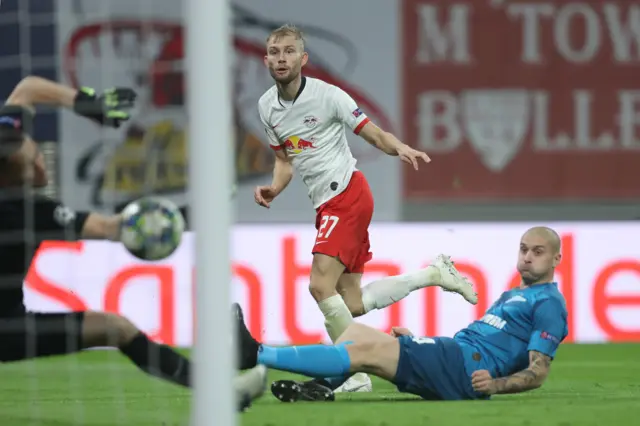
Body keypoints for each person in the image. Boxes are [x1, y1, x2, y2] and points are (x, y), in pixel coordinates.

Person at [0, 76, 265, 412]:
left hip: (11, 318)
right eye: (32, 163)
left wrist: (86, 102)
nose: (40, 162)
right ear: (10, 177)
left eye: (36, 150)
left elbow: (27, 89)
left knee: (115, 328)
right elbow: (115, 229)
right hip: (6, 329)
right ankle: (222, 393)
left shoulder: (5, 140)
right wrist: (194, 212)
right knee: (117, 329)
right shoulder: (25, 212)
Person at [253, 24, 478, 393]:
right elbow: (284, 161)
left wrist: (400, 147)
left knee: (319, 285)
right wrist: (274, 189)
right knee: (350, 305)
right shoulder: (266, 107)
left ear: (303, 58)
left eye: (289, 51)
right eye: (275, 52)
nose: (282, 58)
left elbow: (372, 132)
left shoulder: (329, 96)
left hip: (347, 193)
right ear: (266, 60)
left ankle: (354, 373)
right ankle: (433, 274)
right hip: (327, 203)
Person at [236, 226, 568, 402]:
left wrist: (494, 385)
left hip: (463, 368)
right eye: (523, 249)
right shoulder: (515, 294)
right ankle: (318, 387)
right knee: (355, 334)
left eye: (537, 252)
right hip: (452, 355)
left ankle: (255, 353)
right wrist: (418, 344)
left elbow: (538, 372)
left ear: (555, 259)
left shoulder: (549, 303)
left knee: (364, 349)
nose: (527, 257)